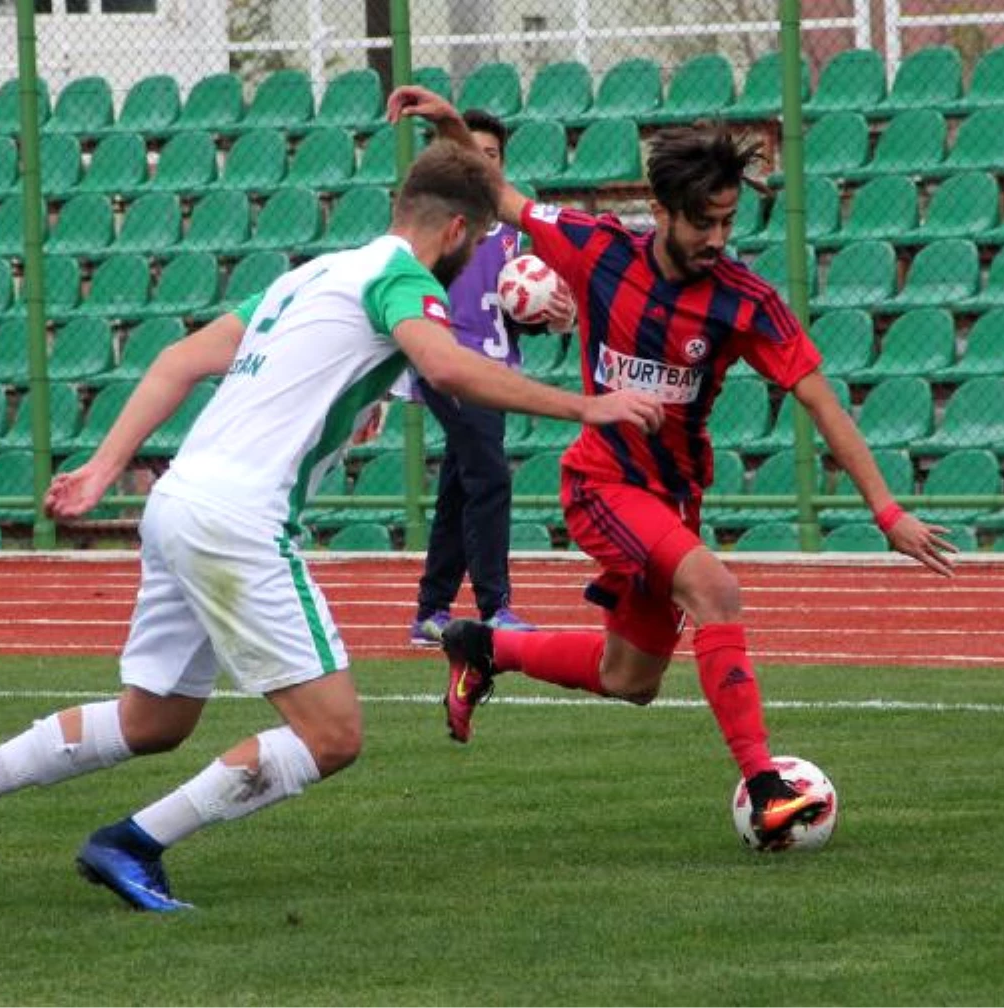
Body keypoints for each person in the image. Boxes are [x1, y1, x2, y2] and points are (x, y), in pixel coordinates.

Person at [0, 139, 666, 911]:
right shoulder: (403, 280)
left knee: (153, 719)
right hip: (238, 522)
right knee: (332, 735)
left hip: (179, 501)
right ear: (458, 233)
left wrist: (102, 469)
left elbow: (178, 360)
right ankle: (132, 843)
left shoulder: (317, 274)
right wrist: (585, 405)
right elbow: (449, 368)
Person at [389, 85, 957, 850]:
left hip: (670, 499)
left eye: (728, 220)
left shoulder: (743, 301)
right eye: (703, 221)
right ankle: (767, 790)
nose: (719, 237)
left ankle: (483, 647)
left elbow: (822, 402)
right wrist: (456, 127)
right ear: (660, 210)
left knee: (632, 680)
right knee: (717, 590)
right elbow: (496, 191)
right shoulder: (595, 248)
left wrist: (888, 513)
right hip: (600, 483)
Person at [409, 108, 577, 646]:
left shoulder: (508, 232)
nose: (484, 165)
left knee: (461, 486)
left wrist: (547, 316)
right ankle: (495, 605)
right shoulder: (433, 228)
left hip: (493, 368)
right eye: (471, 155)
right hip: (452, 365)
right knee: (490, 476)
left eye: (493, 157)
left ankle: (431, 610)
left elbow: (508, 313)